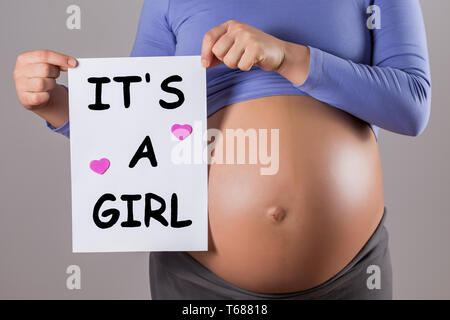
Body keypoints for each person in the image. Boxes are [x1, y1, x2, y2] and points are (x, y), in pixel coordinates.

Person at [13, 0, 431, 299]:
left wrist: (290, 57)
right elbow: (138, 130)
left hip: (350, 276)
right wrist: (57, 105)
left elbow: (411, 106)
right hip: (200, 283)